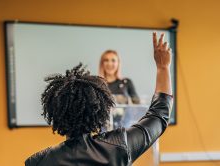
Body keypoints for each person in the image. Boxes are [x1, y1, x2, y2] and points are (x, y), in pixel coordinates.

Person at [25, 32, 173, 166]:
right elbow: (158, 115)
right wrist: (163, 68)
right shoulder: (120, 146)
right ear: (100, 110)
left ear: (55, 114)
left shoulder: (38, 161)